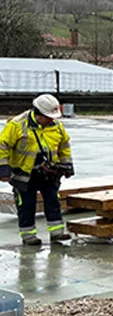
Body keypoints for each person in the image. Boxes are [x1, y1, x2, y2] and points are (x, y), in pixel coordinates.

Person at [0, 94, 74, 245]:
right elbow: (2, 146)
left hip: (48, 172)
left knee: (53, 201)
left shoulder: (56, 126)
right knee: (26, 204)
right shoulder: (17, 125)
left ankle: (57, 233)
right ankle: (28, 236)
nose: (51, 120)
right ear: (38, 114)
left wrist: (67, 165)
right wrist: (3, 168)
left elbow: (64, 145)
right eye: (48, 117)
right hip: (23, 174)